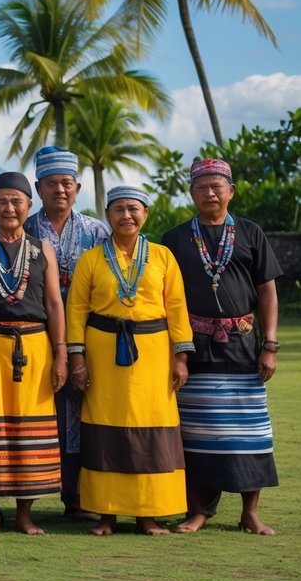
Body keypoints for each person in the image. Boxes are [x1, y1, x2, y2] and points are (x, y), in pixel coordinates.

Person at [162, 159, 282, 535]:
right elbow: (169, 298)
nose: (210, 193)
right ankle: (199, 511)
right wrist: (178, 352)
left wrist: (270, 345)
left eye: (217, 186)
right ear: (191, 193)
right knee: (197, 431)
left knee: (249, 430)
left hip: (244, 344)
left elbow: (267, 292)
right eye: (202, 187)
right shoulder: (176, 239)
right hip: (194, 346)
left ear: (231, 191)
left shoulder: (250, 232)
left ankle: (250, 512)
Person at [67, 186, 193, 536]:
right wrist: (77, 359)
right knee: (104, 429)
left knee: (152, 429)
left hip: (153, 354)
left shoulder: (163, 257)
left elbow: (177, 308)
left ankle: (147, 514)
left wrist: (180, 358)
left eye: (133, 209)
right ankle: (105, 514)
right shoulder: (91, 259)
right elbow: (76, 311)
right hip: (102, 352)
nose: (126, 216)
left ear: (146, 214)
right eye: (118, 209)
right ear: (107, 216)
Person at [0, 172, 66, 535]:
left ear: (28, 206)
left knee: (29, 431)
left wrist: (62, 352)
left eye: (16, 201)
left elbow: (54, 303)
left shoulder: (42, 249)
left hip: (35, 347)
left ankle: (24, 514)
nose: (9, 208)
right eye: (1, 201)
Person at [23, 146, 109, 520]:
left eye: (67, 184)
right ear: (39, 188)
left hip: (91, 337)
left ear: (77, 189)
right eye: (52, 184)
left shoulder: (97, 230)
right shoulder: (22, 229)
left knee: (86, 413)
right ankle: (26, 493)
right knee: (41, 414)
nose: (60, 190)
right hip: (34, 337)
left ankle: (79, 496)